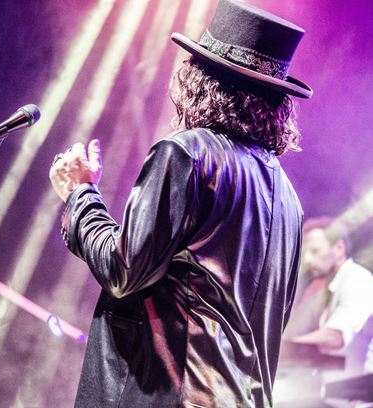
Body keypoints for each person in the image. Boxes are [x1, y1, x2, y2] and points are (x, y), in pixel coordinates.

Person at [49, 0, 311, 406]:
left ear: (199, 79)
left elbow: (124, 270)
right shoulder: (289, 201)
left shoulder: (187, 153)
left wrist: (80, 194)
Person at [288, 217, 373, 375]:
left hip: (358, 389)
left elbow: (334, 338)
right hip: (333, 387)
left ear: (339, 248)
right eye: (304, 253)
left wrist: (282, 348)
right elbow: (293, 329)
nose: (307, 259)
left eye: (315, 251)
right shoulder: (322, 287)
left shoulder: (358, 279)